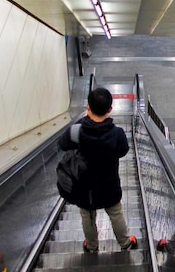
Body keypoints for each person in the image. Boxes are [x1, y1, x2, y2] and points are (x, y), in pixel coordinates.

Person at [59, 87, 137, 253]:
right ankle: (125, 243)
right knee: (116, 213)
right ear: (110, 109)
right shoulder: (117, 134)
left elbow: (62, 144)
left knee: (87, 216)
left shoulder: (76, 130)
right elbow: (123, 151)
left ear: (88, 106)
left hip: (84, 187)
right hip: (109, 185)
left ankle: (92, 246)